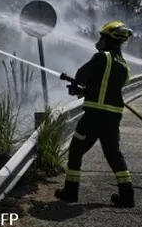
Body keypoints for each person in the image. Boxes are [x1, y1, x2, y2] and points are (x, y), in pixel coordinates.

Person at [56, 20, 135, 208]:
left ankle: (70, 191)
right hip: (113, 116)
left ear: (109, 39)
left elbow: (81, 74)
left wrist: (77, 86)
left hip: (94, 116)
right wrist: (86, 91)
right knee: (113, 154)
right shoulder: (124, 65)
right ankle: (127, 195)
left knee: (75, 150)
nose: (99, 40)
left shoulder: (101, 57)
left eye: (102, 37)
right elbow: (105, 88)